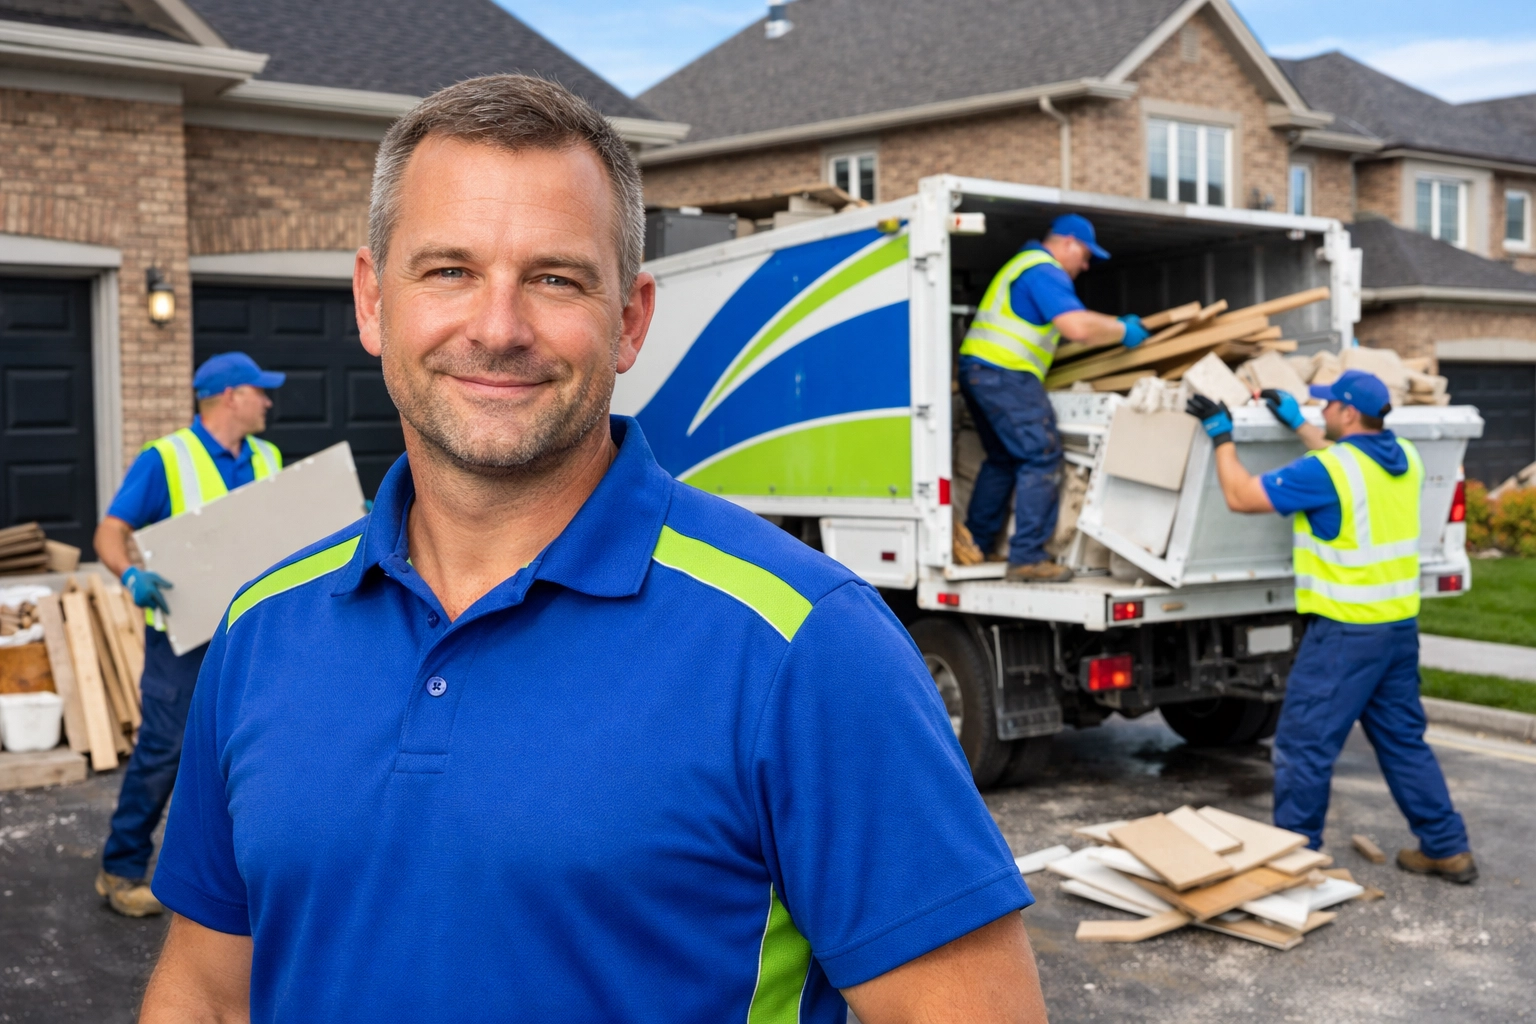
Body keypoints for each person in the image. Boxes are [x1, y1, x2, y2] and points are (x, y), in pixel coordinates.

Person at [139, 76, 1049, 1023]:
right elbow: (206, 996)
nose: (497, 328)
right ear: (374, 301)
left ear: (630, 319)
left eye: (555, 278)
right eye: (448, 270)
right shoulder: (262, 628)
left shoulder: (802, 646)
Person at [1188, 369, 1476, 884]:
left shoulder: (1327, 469)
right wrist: (1299, 425)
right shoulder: (1404, 458)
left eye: (1325, 406)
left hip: (1345, 635)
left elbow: (1240, 496)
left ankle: (1295, 862)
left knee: (1303, 747)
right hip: (1396, 630)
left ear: (1347, 412)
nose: (1319, 412)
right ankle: (1446, 846)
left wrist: (1221, 433)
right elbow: (1348, 462)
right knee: (1405, 742)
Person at [90, 351, 285, 917]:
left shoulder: (268, 456)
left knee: (254, 753)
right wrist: (129, 574)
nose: (268, 401)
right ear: (230, 396)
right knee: (162, 752)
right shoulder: (166, 459)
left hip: (254, 629)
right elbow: (109, 531)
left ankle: (237, 881)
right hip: (182, 638)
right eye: (259, 391)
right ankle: (120, 869)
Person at [955, 214, 1150, 582]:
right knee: (1041, 455)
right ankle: (1026, 557)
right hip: (1004, 373)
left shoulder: (1023, 265)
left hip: (979, 372)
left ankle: (977, 545)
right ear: (1069, 244)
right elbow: (1075, 326)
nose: (1086, 265)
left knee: (1001, 459)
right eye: (1086, 255)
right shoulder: (1044, 270)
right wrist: (1122, 329)